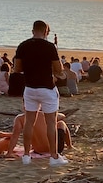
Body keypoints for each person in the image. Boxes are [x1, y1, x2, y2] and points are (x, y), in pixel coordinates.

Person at [13, 20, 68, 166]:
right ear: (46, 32)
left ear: (33, 31)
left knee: (29, 122)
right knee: (51, 123)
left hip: (30, 88)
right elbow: (58, 70)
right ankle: (54, 157)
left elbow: (17, 68)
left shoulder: (23, 46)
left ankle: (26, 155)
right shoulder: (50, 47)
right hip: (46, 88)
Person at [4, 110, 71, 158]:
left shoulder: (20, 118)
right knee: (61, 123)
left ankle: (9, 153)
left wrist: (9, 152)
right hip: (54, 148)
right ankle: (69, 145)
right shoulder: (44, 114)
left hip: (38, 150)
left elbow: (15, 136)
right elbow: (62, 116)